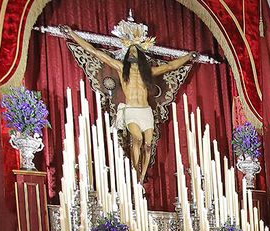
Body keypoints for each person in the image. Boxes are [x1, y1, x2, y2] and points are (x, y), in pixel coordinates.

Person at [62, 20, 195, 181]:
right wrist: (72, 34)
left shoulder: (148, 72)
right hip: (131, 110)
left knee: (147, 145)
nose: (132, 54)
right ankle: (135, 172)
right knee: (137, 139)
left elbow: (170, 66)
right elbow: (95, 52)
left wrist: (190, 56)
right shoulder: (120, 68)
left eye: (135, 52)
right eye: (130, 52)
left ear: (140, 55)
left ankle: (141, 176)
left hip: (146, 111)